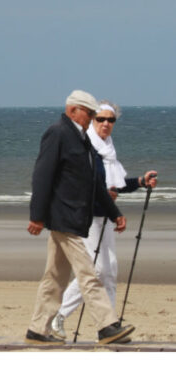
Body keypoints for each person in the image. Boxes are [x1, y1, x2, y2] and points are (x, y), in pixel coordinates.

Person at [25, 90, 134, 345]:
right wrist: (37, 216)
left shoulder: (82, 139)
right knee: (89, 273)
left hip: (74, 219)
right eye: (90, 113)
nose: (94, 117)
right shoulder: (58, 133)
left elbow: (96, 183)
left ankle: (38, 329)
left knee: (55, 277)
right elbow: (42, 176)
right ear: (73, 110)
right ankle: (107, 326)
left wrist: (115, 213)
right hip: (63, 218)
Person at [50, 101, 158, 339]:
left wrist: (140, 181)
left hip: (105, 216)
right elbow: (77, 184)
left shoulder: (108, 149)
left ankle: (109, 328)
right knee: (95, 270)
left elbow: (115, 185)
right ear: (92, 120)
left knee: (109, 272)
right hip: (86, 218)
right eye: (101, 119)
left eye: (111, 120)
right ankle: (57, 317)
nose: (106, 124)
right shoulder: (85, 148)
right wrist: (102, 195)